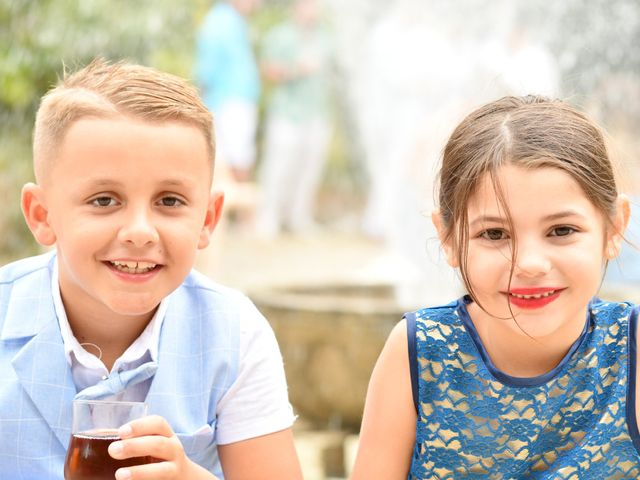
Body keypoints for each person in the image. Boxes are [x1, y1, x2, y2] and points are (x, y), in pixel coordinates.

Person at [0, 58, 303, 480]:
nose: (140, 232)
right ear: (41, 215)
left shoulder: (234, 336)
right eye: (104, 200)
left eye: (170, 201)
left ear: (208, 219)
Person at [351, 95, 639, 478]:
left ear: (615, 226)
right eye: (494, 234)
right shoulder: (417, 353)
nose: (530, 264)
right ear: (449, 238)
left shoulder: (632, 350)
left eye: (562, 230)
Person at [255, 0, 333, 237]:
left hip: (318, 112)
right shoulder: (281, 35)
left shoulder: (325, 37)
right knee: (278, 165)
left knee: (309, 167)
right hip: (287, 112)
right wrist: (296, 69)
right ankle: (267, 218)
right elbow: (268, 69)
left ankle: (299, 218)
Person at [195, 0, 261, 183]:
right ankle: (239, 210)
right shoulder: (221, 22)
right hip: (229, 102)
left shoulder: (232, 21)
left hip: (231, 100)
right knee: (235, 160)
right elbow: (207, 70)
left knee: (230, 158)